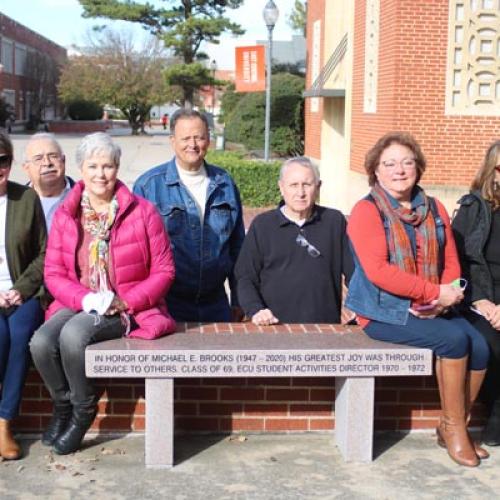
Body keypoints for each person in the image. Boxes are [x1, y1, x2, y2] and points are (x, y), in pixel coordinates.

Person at [345, 132, 490, 467]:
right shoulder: (367, 211)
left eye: (407, 162)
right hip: (384, 310)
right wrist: (432, 293)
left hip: (435, 302)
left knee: (481, 344)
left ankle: (451, 425)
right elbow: (378, 271)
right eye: (390, 164)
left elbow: (450, 258)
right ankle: (455, 430)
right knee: (454, 340)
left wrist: (448, 294)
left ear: (418, 168)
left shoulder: (434, 207)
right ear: (376, 172)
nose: (399, 170)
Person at [30, 132, 176, 455]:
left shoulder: (143, 212)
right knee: (41, 342)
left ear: (117, 168)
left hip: (124, 307)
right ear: (81, 169)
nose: (101, 174)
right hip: (80, 300)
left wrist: (127, 301)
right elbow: (54, 273)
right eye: (93, 166)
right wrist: (84, 299)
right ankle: (63, 405)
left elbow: (165, 271)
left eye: (107, 166)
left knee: (72, 336)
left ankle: (84, 411)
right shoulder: (68, 215)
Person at [134, 108, 245, 322]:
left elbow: (237, 246)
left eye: (199, 137)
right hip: (166, 303)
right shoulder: (148, 186)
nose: (192, 145)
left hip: (216, 305)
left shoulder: (225, 183)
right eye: (185, 138)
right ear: (173, 141)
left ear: (208, 140)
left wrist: (239, 300)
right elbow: (136, 254)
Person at [235, 157, 353, 325]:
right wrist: (256, 310)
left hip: (324, 328)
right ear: (281, 187)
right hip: (274, 326)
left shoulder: (334, 221)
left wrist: (362, 308)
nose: (300, 192)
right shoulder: (263, 225)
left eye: (307, 184)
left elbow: (354, 274)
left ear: (318, 187)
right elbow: (245, 277)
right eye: (293, 185)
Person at [0, 132, 46, 460]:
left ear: (10, 162)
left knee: (18, 337)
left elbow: (45, 253)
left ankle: (4, 424)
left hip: (21, 293)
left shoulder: (25, 199)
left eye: (2, 160)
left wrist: (20, 289)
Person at [452, 140, 500, 446]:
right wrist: (483, 301)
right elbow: (457, 261)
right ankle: (495, 414)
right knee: (492, 343)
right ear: (494, 171)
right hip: (477, 297)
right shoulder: (473, 207)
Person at [23, 132, 75, 230]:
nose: (47, 163)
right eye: (38, 159)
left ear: (63, 161)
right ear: (26, 168)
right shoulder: (15, 202)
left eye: (53, 156)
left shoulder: (84, 198)